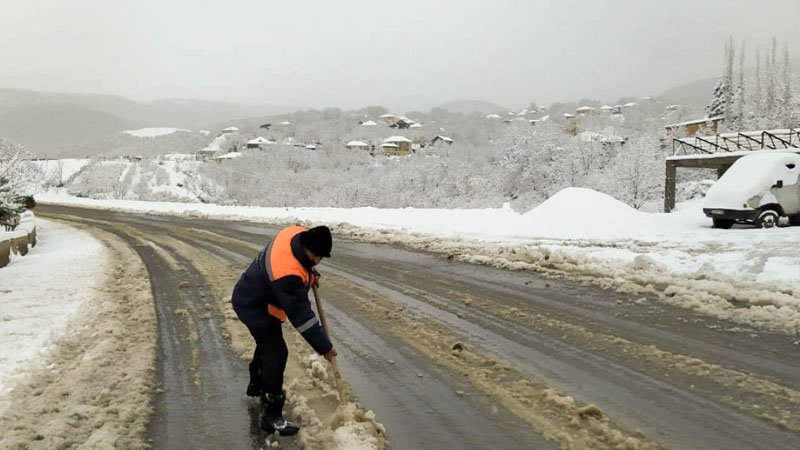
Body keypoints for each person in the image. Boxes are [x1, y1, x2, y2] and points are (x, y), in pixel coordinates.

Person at [231, 225, 337, 435]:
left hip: (256, 293)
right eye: (315, 256)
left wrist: (310, 272)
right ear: (306, 245)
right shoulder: (287, 273)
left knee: (267, 344)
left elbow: (302, 263)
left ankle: (257, 384)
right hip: (253, 304)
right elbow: (303, 318)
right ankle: (271, 416)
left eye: (320, 258)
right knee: (276, 351)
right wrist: (325, 347)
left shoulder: (295, 233)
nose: (317, 261)